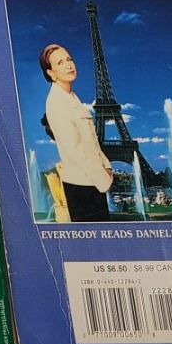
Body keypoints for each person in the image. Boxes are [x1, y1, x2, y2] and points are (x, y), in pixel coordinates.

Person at [39, 43, 114, 222]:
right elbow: (75, 149)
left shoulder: (71, 97)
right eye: (60, 63)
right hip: (83, 186)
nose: (68, 65)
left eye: (69, 59)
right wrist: (103, 180)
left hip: (91, 182)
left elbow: (91, 142)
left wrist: (106, 165)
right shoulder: (57, 102)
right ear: (51, 73)